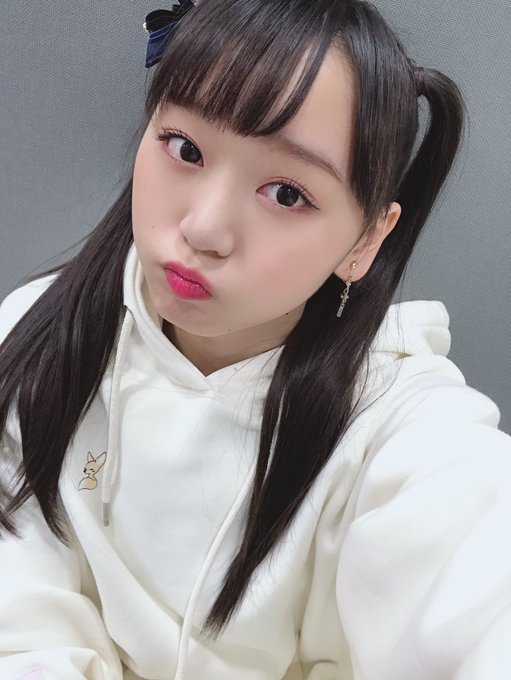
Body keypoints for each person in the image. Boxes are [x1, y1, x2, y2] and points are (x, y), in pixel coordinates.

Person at [1, 1, 510, 678]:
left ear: (365, 241)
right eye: (185, 149)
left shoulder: (398, 426)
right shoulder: (41, 333)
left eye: (287, 193)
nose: (204, 228)